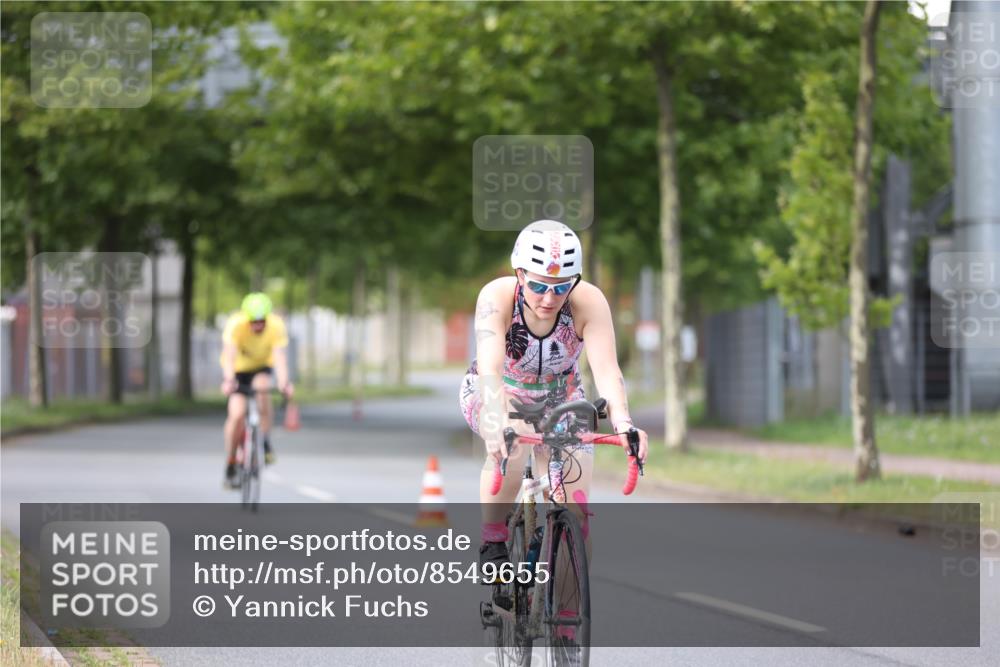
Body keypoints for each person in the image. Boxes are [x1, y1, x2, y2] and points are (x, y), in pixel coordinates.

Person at [459, 219, 649, 573]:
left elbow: (607, 370)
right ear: (519, 275)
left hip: (562, 397)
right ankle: (493, 536)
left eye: (561, 288)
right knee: (513, 438)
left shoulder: (588, 301)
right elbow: (490, 368)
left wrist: (624, 423)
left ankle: (562, 602)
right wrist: (496, 420)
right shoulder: (496, 297)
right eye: (538, 286)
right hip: (500, 390)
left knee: (575, 509)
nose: (549, 299)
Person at [219, 292, 294, 488]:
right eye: (254, 321)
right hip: (238, 371)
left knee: (263, 389)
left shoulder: (276, 326)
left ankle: (264, 441)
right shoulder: (236, 325)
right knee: (237, 414)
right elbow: (229, 355)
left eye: (262, 321)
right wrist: (228, 380)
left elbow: (279, 357)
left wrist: (284, 382)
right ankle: (231, 461)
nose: (258, 325)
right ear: (247, 318)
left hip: (261, 368)